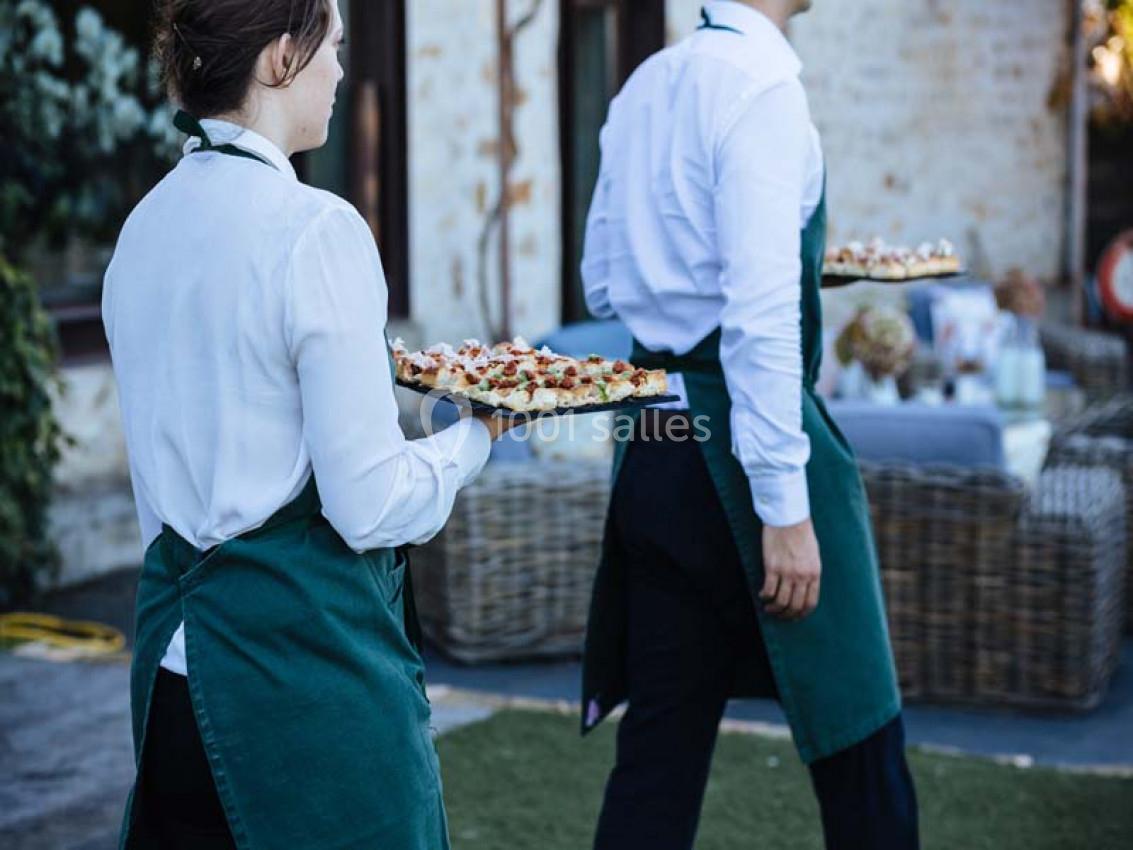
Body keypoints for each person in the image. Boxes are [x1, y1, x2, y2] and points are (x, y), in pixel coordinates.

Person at [102, 1, 510, 846]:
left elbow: (162, 509)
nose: (340, 73)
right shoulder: (316, 230)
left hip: (174, 673)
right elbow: (369, 504)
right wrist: (477, 436)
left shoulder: (141, 230)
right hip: (299, 685)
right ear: (279, 58)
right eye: (334, 48)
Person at [579, 2, 921, 848]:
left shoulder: (641, 86)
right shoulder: (761, 87)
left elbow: (600, 286)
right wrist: (786, 510)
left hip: (651, 455)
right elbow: (761, 318)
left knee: (656, 757)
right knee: (860, 745)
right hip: (742, 464)